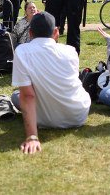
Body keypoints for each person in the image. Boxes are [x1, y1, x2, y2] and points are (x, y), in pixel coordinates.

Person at [11, 11, 90, 154]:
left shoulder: (22, 51)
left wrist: (32, 137)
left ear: (30, 32)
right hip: (78, 114)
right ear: (55, 32)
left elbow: (28, 96)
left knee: (16, 96)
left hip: (44, 120)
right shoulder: (70, 51)